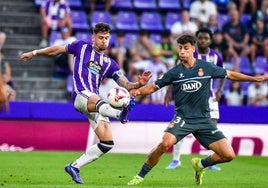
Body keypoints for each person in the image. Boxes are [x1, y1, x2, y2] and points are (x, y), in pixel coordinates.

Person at [126, 34, 268, 186]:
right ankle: (139, 176)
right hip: (183, 118)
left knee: (228, 155)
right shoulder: (174, 72)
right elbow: (154, 86)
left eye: (186, 48)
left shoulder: (206, 67)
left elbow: (230, 74)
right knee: (164, 144)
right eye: (180, 48)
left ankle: (200, 165)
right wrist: (138, 91)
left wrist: (255, 79)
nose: (182, 52)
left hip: (203, 120)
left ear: (193, 49)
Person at [20, 22, 152, 184]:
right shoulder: (81, 47)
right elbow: (57, 50)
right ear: (93, 38)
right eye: (101, 38)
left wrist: (139, 84)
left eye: (107, 38)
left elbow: (126, 85)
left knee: (107, 142)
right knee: (98, 101)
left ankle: (74, 166)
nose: (104, 41)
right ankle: (119, 113)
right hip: (81, 95)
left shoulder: (110, 64)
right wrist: (35, 52)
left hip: (95, 102)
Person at [165, 28, 225, 171]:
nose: (203, 40)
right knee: (181, 128)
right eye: (201, 38)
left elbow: (224, 74)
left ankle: (211, 161)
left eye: (206, 38)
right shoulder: (188, 54)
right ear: (197, 40)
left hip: (209, 97)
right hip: (188, 98)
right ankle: (175, 160)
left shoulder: (216, 56)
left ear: (210, 40)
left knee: (212, 126)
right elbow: (174, 73)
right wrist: (169, 91)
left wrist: (219, 90)